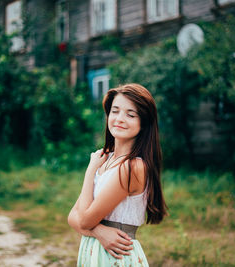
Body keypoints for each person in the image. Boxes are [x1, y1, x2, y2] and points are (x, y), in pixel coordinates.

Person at [68, 83, 168, 266]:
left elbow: (83, 220)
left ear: (143, 123)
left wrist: (90, 171)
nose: (120, 119)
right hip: (94, 251)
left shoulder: (132, 167)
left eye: (130, 114)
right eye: (115, 111)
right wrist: (100, 232)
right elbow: (72, 217)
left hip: (116, 258)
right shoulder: (105, 160)